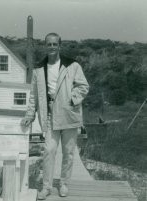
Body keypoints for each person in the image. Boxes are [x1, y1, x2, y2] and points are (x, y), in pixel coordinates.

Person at [21, 33, 89, 199]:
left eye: (54, 44)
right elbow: (33, 96)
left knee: (68, 152)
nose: (51, 47)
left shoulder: (72, 65)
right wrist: (30, 115)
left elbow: (83, 86)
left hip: (69, 115)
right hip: (50, 115)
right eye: (49, 44)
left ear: (60, 45)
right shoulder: (38, 68)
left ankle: (64, 184)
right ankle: (46, 187)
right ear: (45, 46)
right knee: (49, 151)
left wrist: (71, 100)